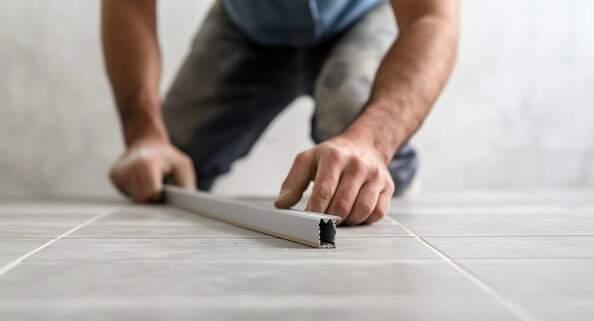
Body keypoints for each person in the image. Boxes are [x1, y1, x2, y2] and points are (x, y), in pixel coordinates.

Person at [101, 0, 459, 225]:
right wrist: (143, 134)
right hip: (246, 20)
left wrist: (372, 143)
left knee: (354, 155)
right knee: (165, 168)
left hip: (359, 14)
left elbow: (433, 17)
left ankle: (392, 177)